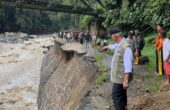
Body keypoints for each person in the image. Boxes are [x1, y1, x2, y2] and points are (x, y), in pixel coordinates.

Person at [103, 28, 133, 110]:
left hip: (121, 78)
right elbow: (114, 46)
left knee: (116, 95)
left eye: (111, 36)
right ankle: (124, 107)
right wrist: (107, 47)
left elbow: (128, 65)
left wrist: (126, 81)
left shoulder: (126, 48)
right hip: (119, 77)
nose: (111, 38)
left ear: (115, 36)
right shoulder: (120, 44)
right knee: (122, 94)